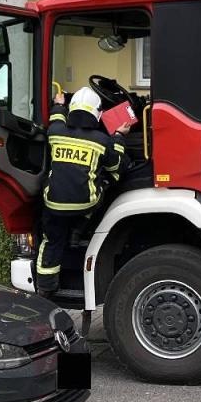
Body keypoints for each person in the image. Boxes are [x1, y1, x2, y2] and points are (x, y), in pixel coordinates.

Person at [34, 86, 129, 295]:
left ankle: (46, 289)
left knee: (51, 242)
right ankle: (80, 227)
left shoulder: (55, 132)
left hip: (53, 204)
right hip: (84, 204)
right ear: (98, 114)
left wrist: (59, 104)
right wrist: (120, 137)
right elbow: (118, 166)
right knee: (107, 179)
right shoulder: (102, 141)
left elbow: (57, 117)